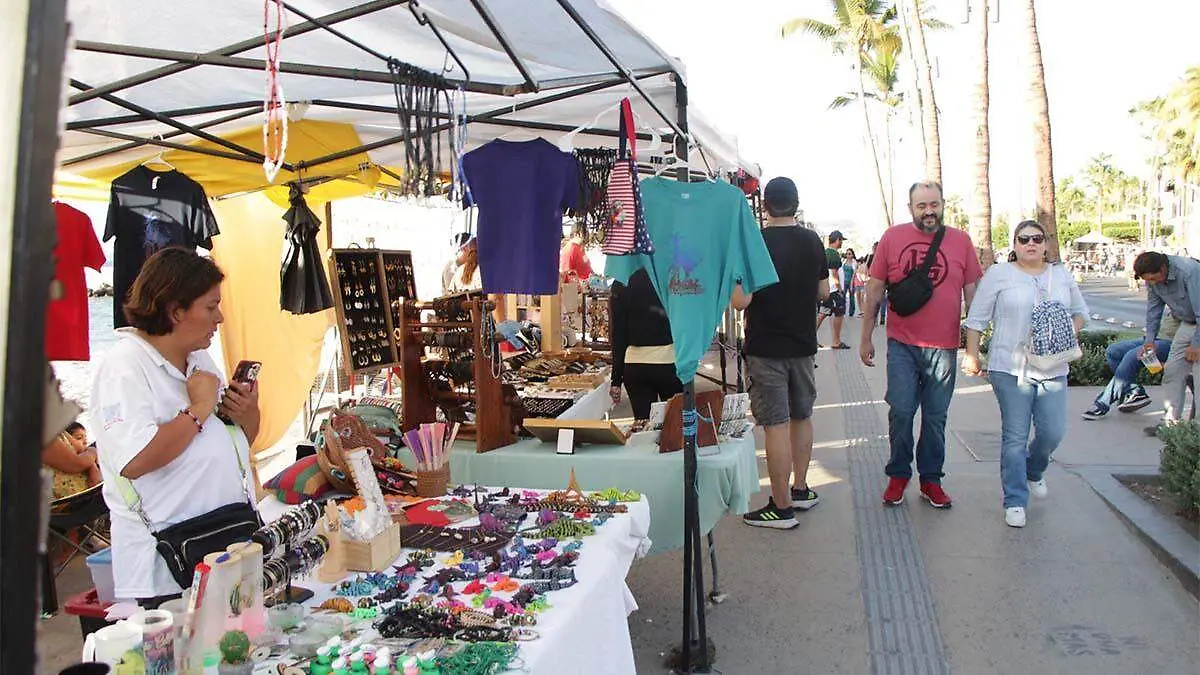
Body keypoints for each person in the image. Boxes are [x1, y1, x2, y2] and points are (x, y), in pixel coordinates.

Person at [92, 247, 261, 606]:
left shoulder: (198, 358)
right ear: (176, 310)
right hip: (166, 568)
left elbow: (238, 440)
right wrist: (198, 408)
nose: (220, 318)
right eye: (211, 306)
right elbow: (134, 460)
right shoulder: (125, 366)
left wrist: (247, 411)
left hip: (224, 540)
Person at [860, 182, 982, 509]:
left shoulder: (961, 241)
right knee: (900, 411)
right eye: (921, 205)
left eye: (934, 204)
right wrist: (865, 337)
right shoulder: (892, 238)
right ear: (910, 207)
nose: (929, 211)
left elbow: (973, 295)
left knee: (935, 417)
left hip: (943, 347)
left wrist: (972, 347)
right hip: (902, 343)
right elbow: (874, 290)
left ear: (943, 204)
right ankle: (898, 474)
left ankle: (931, 480)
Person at [962, 221, 1088, 527]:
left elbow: (1080, 313)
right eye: (1023, 239)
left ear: (1046, 244)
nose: (1030, 244)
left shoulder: (1060, 275)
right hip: (1010, 367)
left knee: (1052, 431)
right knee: (1015, 436)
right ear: (1014, 245)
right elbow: (977, 318)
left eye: (1036, 239)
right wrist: (972, 355)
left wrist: (1059, 334)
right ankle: (1015, 500)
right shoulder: (999, 275)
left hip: (1053, 367)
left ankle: (1034, 470)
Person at [733, 177, 826, 528]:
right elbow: (823, 291)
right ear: (796, 204)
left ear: (766, 205)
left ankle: (782, 508)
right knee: (802, 416)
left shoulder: (753, 242)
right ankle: (800, 490)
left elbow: (742, 301)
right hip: (803, 345)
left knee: (775, 424)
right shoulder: (812, 241)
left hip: (766, 347)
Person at [1133, 251, 1200, 435]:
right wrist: (1150, 340)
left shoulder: (1189, 271)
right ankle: (1170, 423)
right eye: (1149, 281)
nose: (1153, 283)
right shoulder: (1152, 280)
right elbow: (1154, 309)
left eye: (1155, 278)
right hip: (1187, 323)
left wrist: (1196, 344)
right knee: (1172, 371)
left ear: (1163, 268)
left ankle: (1197, 430)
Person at [609, 268, 681, 421]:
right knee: (675, 427)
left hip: (635, 365)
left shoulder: (621, 282)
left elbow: (618, 335)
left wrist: (616, 380)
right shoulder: (672, 278)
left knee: (643, 428)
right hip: (670, 363)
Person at [1080, 310, 1175, 420]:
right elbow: (1154, 315)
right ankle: (1135, 392)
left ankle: (1102, 403)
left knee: (1131, 356)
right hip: (1156, 339)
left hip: (1175, 344)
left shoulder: (1189, 297)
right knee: (1114, 351)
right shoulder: (1162, 295)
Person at [42, 425, 101, 500]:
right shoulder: (41, 435)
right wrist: (93, 451)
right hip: (68, 503)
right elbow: (76, 464)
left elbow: (82, 449)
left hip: (86, 493)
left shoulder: (59, 431)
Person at [815, 231, 849, 349]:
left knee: (822, 313)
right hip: (834, 290)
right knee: (839, 313)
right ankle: (836, 341)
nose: (841, 243)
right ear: (837, 240)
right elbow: (834, 273)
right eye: (841, 241)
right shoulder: (834, 254)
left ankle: (811, 337)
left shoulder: (824, 253)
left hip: (827, 288)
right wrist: (839, 288)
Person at [842, 249, 858, 316]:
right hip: (843, 281)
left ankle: (851, 312)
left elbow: (854, 274)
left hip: (850, 281)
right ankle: (843, 310)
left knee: (851, 297)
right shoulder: (843, 261)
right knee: (843, 296)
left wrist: (851, 283)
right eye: (847, 253)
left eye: (849, 254)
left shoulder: (854, 263)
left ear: (852, 255)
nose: (848, 255)